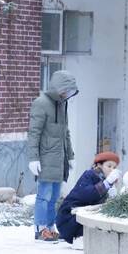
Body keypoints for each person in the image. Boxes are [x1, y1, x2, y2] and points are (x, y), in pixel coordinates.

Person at [27, 70, 78, 242]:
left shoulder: (62, 104)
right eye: (66, 90)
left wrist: (70, 156)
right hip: (46, 158)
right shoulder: (41, 103)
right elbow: (34, 132)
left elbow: (66, 133)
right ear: (58, 88)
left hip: (60, 159)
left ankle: (50, 227)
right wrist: (33, 157)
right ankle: (40, 228)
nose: (67, 94)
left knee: (55, 197)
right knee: (44, 196)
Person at [56, 151, 121, 247]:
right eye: (109, 166)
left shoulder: (106, 182)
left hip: (79, 222)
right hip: (68, 219)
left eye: (114, 168)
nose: (112, 170)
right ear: (99, 165)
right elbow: (87, 195)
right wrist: (106, 183)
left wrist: (113, 195)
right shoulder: (89, 175)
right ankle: (78, 238)